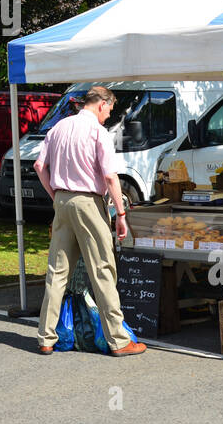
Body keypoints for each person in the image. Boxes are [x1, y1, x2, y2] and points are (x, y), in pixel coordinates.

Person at [33, 86, 145, 357]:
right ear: (101, 104)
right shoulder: (98, 132)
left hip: (62, 200)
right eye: (109, 110)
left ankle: (46, 338)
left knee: (57, 272)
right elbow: (109, 177)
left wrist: (56, 196)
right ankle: (118, 341)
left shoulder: (58, 128)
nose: (108, 115)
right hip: (88, 202)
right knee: (103, 269)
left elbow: (39, 166)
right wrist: (121, 213)